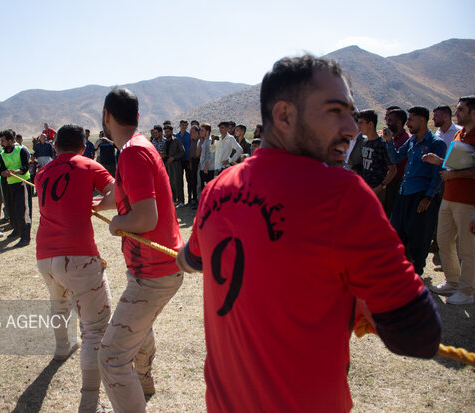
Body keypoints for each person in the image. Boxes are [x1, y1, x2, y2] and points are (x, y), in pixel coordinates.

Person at [176, 55, 441, 412]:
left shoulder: (217, 189)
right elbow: (419, 336)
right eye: (335, 111)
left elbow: (190, 259)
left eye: (351, 112)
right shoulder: (340, 194)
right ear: (284, 115)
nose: (350, 127)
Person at [94, 87, 184, 413]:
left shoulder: (132, 153)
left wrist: (117, 222)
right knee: (139, 330)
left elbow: (145, 218)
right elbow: (122, 191)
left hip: (153, 272)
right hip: (155, 270)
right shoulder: (138, 147)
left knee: (111, 358)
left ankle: (137, 388)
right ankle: (144, 382)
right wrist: (96, 203)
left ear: (106, 116)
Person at [35, 124, 115, 412]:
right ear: (84, 146)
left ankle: (61, 348)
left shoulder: (42, 172)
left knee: (58, 304)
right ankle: (90, 402)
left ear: (55, 147)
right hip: (78, 254)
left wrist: (87, 204)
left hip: (45, 255)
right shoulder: (88, 164)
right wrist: (100, 206)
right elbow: (118, 193)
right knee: (94, 329)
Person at [424, 96, 475, 305]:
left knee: (467, 248)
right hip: (449, 196)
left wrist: (455, 175)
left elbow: (462, 170)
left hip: (468, 201)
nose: (457, 113)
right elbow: (455, 164)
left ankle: (467, 291)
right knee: (444, 242)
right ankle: (452, 282)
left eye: (461, 110)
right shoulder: (458, 135)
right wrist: (439, 162)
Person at [386, 106, 447, 275]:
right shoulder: (411, 141)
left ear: (422, 120)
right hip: (404, 193)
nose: (408, 123)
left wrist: (428, 197)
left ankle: (417, 272)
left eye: (411, 119)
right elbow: (397, 157)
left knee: (419, 235)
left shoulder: (436, 144)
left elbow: (438, 173)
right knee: (397, 231)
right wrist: (390, 142)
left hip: (421, 195)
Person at [0, 129, 32, 247]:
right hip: (10, 184)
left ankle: (25, 237)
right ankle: (17, 230)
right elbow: (1, 170)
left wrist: (15, 172)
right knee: (13, 209)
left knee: (24, 211)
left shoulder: (21, 150)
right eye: (0, 140)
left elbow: (26, 167)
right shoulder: (1, 155)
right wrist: (4, 173)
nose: (1, 143)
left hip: (23, 183)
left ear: (10, 141)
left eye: (3, 140)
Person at [356, 110, 396, 205]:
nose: (358, 126)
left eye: (361, 123)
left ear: (370, 124)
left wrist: (380, 187)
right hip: (364, 188)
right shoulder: (365, 142)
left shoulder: (382, 144)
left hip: (376, 190)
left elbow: (393, 170)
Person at [382, 107, 410, 216]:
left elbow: (395, 159)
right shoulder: (390, 137)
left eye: (390, 120)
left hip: (397, 180)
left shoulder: (404, 140)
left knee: (391, 211)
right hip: (388, 178)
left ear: (398, 122)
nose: (387, 123)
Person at [163, 124, 185, 207]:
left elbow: (182, 152)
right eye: (165, 132)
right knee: (170, 183)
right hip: (168, 165)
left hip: (176, 164)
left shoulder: (177, 141)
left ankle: (181, 200)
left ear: (172, 132)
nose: (167, 133)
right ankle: (174, 200)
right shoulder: (165, 142)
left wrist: (174, 158)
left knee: (178, 182)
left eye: (168, 131)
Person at [175, 120, 192, 204]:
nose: (184, 126)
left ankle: (189, 198)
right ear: (180, 125)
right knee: (179, 180)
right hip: (179, 161)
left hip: (187, 160)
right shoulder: (176, 136)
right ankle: (181, 200)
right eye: (182, 125)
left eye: (185, 125)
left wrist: (190, 160)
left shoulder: (189, 135)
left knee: (189, 180)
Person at [197, 122, 215, 192]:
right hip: (202, 167)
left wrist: (206, 167)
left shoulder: (211, 141)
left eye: (202, 130)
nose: (200, 132)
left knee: (208, 188)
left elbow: (211, 155)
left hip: (208, 169)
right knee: (203, 187)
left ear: (207, 132)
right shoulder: (202, 141)